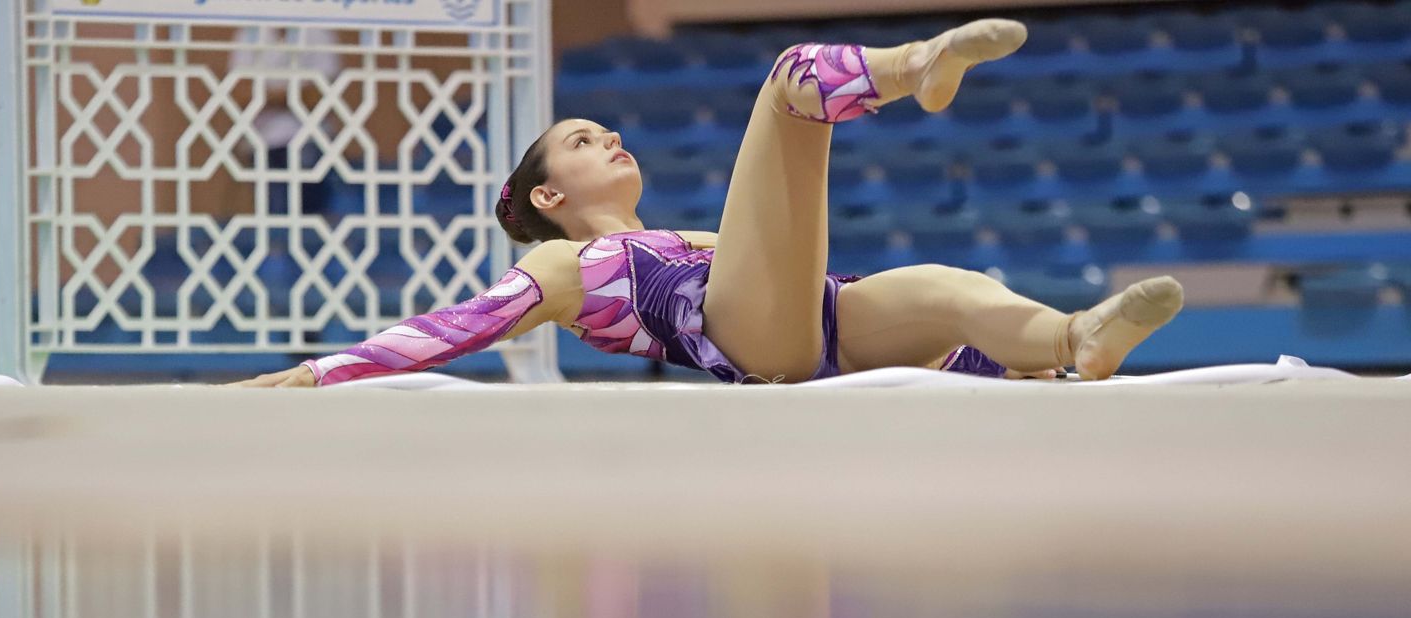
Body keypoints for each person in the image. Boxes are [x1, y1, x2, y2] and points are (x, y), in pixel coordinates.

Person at [232, 19, 1183, 389]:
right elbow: (462, 324)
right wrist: (322, 371)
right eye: (580, 138)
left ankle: (1072, 345)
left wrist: (985, 363)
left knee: (939, 286)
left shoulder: (689, 235)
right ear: (550, 195)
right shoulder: (568, 264)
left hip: (822, 318)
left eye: (605, 127)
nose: (608, 135)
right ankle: (911, 65)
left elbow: (803, 271)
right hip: (747, 338)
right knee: (784, 88)